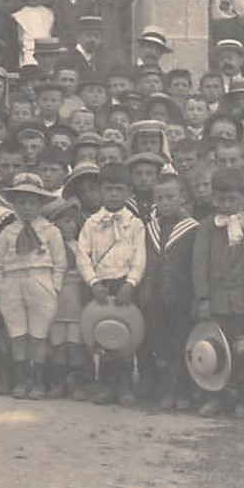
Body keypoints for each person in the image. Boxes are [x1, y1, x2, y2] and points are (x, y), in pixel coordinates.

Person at [0, 172, 67, 400]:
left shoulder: (50, 231)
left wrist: (54, 287)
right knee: (18, 334)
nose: (26, 208)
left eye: (32, 202)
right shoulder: (7, 232)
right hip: (13, 282)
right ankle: (21, 380)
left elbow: (60, 263)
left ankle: (37, 381)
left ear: (41, 204)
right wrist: (3, 286)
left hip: (40, 281)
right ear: (13, 205)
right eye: (21, 202)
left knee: (38, 335)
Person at [76, 163, 146, 405]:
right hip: (100, 286)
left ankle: (125, 385)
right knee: (103, 336)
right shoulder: (92, 223)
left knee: (125, 337)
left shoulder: (135, 224)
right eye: (108, 189)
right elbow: (82, 255)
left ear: (128, 191)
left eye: (119, 189)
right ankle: (106, 384)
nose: (114, 194)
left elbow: (140, 256)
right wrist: (93, 282)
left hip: (125, 286)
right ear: (101, 191)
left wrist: (131, 283)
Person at [139, 173, 199, 411]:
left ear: (182, 198)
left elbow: (195, 266)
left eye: (171, 197)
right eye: (160, 198)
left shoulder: (193, 228)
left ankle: (182, 389)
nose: (165, 203)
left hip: (182, 298)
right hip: (155, 298)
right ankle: (166, 388)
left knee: (181, 344)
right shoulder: (149, 228)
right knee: (160, 343)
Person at [13, 0, 56, 67]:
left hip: (46, 53)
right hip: (28, 55)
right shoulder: (19, 15)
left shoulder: (49, 14)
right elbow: (20, 40)